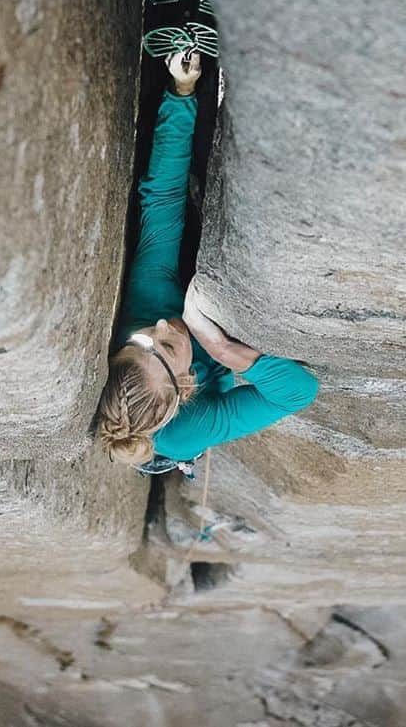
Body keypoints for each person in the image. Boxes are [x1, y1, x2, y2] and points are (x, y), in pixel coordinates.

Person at [96, 51, 318, 470]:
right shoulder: (187, 428)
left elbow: (162, 202)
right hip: (173, 443)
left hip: (160, 391)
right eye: (163, 344)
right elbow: (299, 391)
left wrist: (181, 95)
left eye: (140, 340)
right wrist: (219, 345)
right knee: (171, 455)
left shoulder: (145, 310)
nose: (159, 325)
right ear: (185, 384)